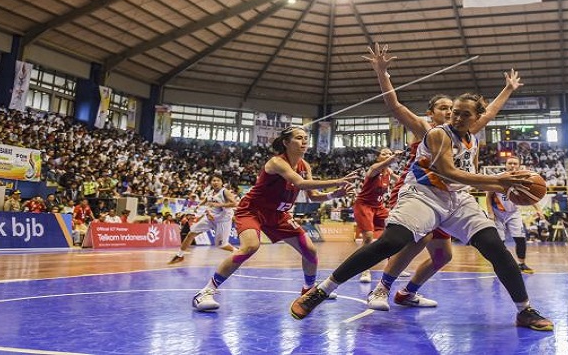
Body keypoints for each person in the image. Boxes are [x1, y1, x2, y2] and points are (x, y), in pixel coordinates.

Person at [291, 94, 554, 331]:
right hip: (423, 194)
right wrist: (501, 182)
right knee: (393, 241)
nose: (458, 117)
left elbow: (469, 174)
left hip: (457, 199)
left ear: (475, 118)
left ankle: (524, 310)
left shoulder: (472, 138)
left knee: (494, 246)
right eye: (455, 112)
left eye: (465, 114)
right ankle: (322, 290)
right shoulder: (439, 134)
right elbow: (449, 173)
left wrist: (507, 90)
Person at [364, 43, 522, 311]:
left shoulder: (464, 129)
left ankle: (408, 292)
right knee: (420, 238)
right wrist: (383, 72)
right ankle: (382, 288)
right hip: (420, 191)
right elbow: (394, 104)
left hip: (450, 197)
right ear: (431, 113)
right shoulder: (425, 127)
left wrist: (507, 89)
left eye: (452, 107)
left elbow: (491, 112)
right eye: (443, 108)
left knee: (442, 256)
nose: (449, 112)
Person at [191, 127, 359, 312]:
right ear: (286, 142)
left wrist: (333, 195)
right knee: (250, 246)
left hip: (279, 215)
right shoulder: (277, 162)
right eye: (298, 138)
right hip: (252, 211)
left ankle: (309, 290)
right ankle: (205, 292)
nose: (304, 142)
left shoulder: (305, 166)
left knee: (310, 250)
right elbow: (300, 184)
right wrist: (338, 180)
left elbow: (312, 196)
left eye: (306, 138)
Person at [353, 148, 402, 283]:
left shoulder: (388, 171)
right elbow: (384, 164)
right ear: (378, 157)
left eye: (389, 153)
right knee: (368, 238)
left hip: (379, 207)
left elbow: (399, 179)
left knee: (393, 233)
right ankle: (364, 270)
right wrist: (393, 157)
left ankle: (394, 266)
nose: (387, 155)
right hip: (364, 206)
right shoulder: (374, 169)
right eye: (384, 153)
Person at [486, 156, 539, 274]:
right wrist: (490, 213)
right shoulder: (498, 178)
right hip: (497, 212)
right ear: (506, 164)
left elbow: (530, 196)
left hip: (513, 212)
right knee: (500, 241)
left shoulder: (524, 179)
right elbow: (488, 196)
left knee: (520, 238)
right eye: (510, 163)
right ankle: (500, 265)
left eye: (515, 163)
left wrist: (538, 209)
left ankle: (522, 264)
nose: (512, 166)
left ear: (519, 165)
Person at [170, 175, 238, 264]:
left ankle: (237, 251)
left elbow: (234, 203)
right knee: (191, 234)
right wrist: (199, 205)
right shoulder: (210, 192)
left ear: (222, 182)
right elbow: (206, 199)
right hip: (209, 218)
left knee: (222, 245)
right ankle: (180, 255)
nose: (215, 182)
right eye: (213, 180)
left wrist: (219, 205)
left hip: (222, 221)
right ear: (211, 182)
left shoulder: (225, 192)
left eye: (218, 180)